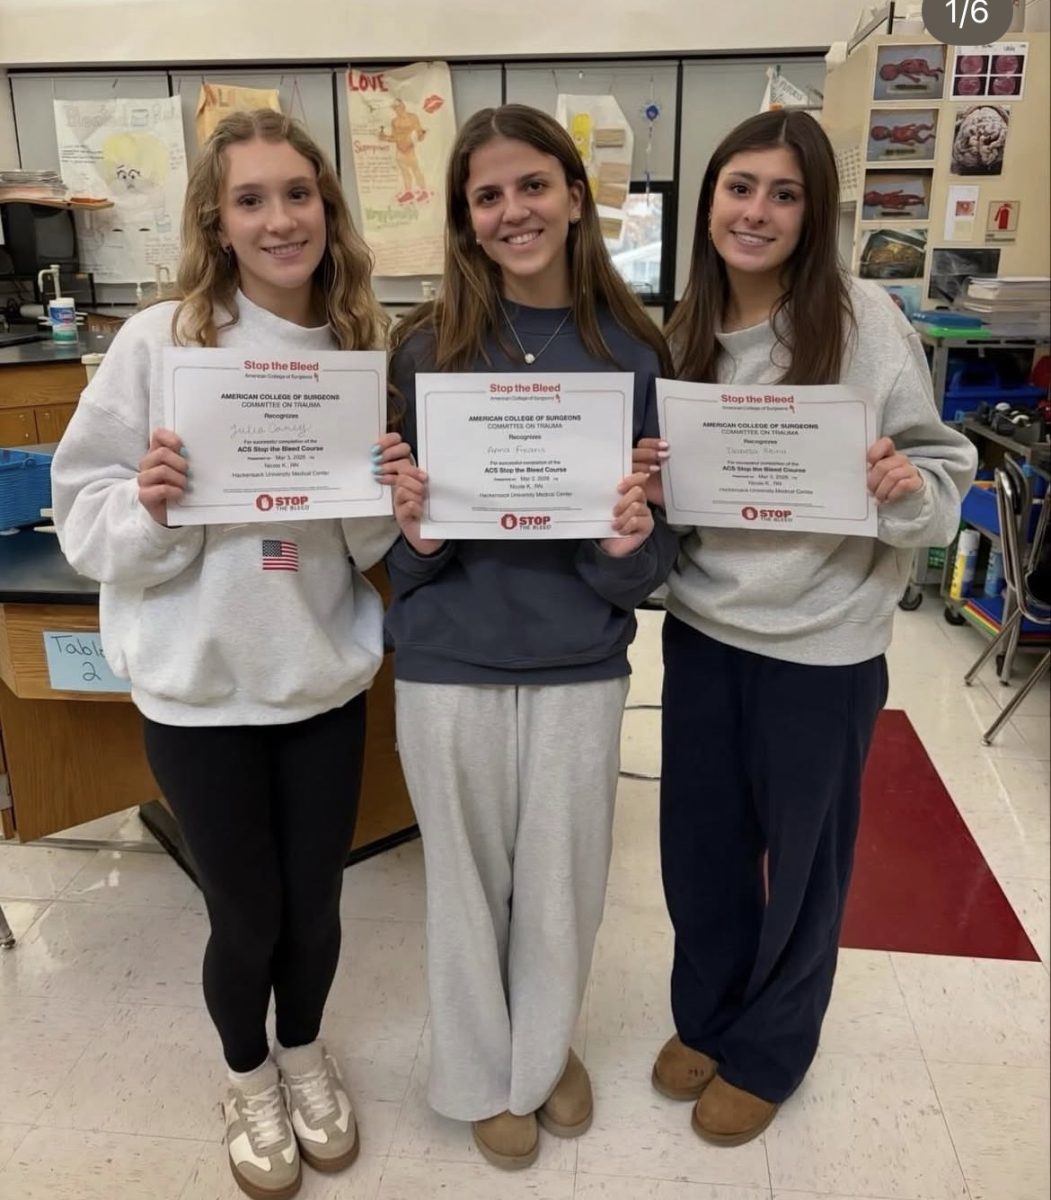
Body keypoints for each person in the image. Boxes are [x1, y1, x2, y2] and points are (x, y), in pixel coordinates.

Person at [51, 110, 408, 1199]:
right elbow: (82, 516)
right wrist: (154, 509)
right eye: (251, 199)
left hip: (315, 677)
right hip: (198, 686)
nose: (279, 218)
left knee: (315, 903)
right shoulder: (160, 342)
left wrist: (382, 491)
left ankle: (303, 1051)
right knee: (243, 911)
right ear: (217, 217)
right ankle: (246, 1073)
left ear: (326, 210)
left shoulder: (357, 343)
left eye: (298, 194)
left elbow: (363, 547)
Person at [635, 111, 977, 1145]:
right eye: (740, 187)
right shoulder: (682, 326)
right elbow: (670, 490)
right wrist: (649, 485)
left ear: (812, 212)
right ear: (708, 202)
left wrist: (903, 482)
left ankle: (773, 1048)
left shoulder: (864, 318)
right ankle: (706, 1014)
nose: (757, 211)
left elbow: (944, 466)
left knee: (805, 864)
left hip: (823, 647)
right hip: (704, 631)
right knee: (699, 851)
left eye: (784, 194)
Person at [383, 103, 679, 1170]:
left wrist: (625, 540)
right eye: (488, 194)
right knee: (464, 883)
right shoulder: (422, 352)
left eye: (532, 185)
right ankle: (475, 1072)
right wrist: (413, 531)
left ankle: (543, 1050)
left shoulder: (634, 352)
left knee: (563, 885)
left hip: (578, 665)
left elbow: (652, 569)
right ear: (466, 220)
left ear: (572, 195)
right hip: (447, 663)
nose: (514, 210)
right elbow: (393, 558)